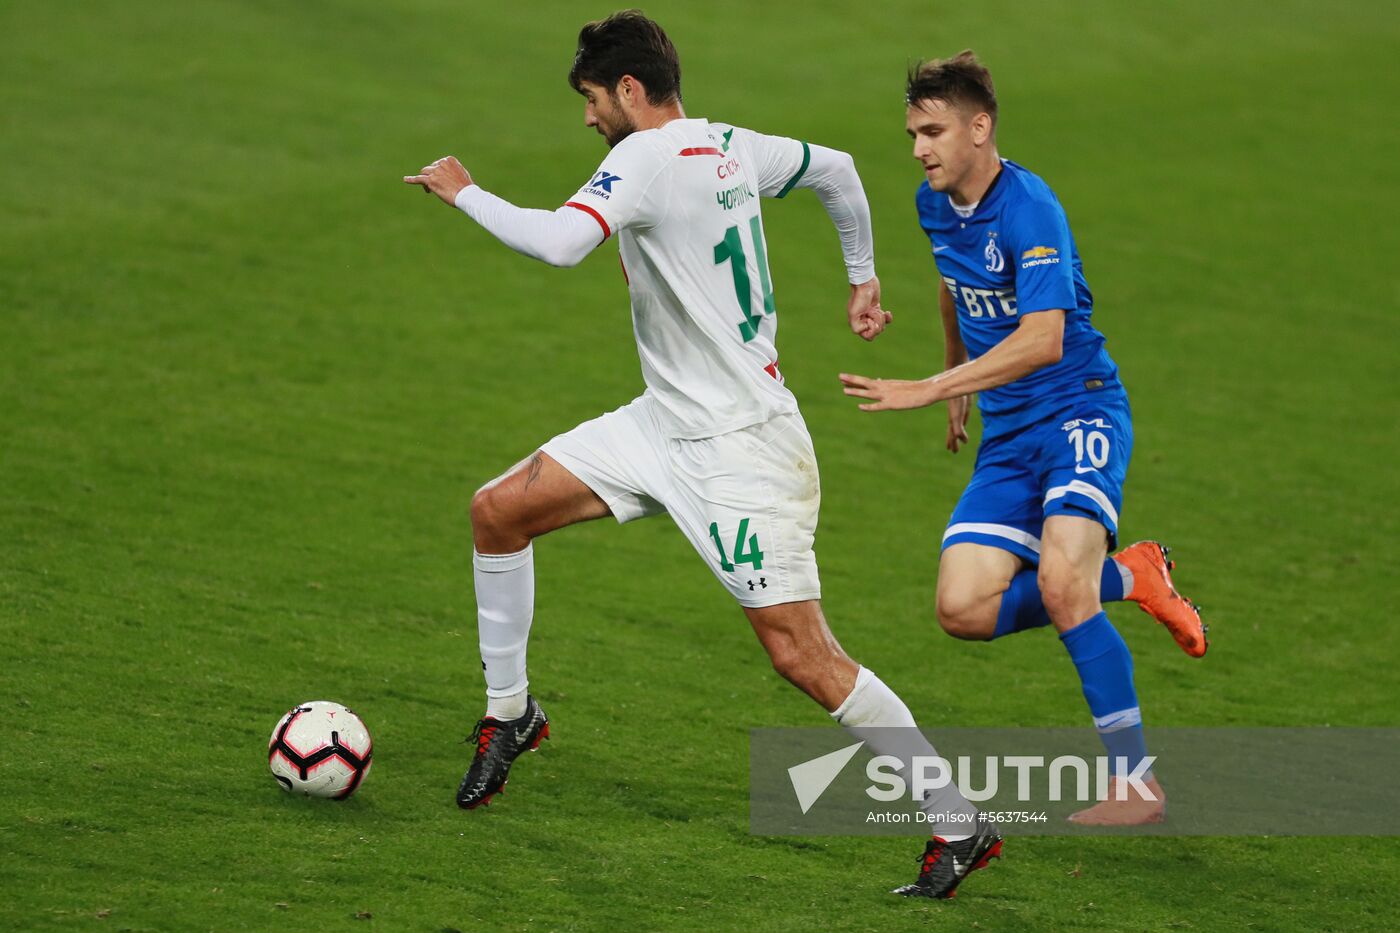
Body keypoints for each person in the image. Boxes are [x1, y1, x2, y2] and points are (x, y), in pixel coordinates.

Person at [404, 12, 999, 898]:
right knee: (498, 511)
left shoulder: (640, 157)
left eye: (592, 99)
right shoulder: (730, 145)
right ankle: (510, 714)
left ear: (631, 91)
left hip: (739, 452)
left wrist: (464, 191)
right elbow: (835, 171)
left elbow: (563, 244)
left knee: (804, 655)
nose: (588, 117)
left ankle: (960, 819)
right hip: (660, 426)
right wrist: (859, 273)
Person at [840, 52, 1209, 826]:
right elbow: (952, 280)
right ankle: (1134, 577)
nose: (919, 148)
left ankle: (1136, 783)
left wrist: (930, 387)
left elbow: (1044, 338)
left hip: (1079, 411)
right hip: (1008, 434)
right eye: (912, 132)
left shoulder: (1030, 208)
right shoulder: (934, 201)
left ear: (980, 128)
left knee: (1061, 585)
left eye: (933, 131)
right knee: (962, 608)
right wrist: (957, 377)